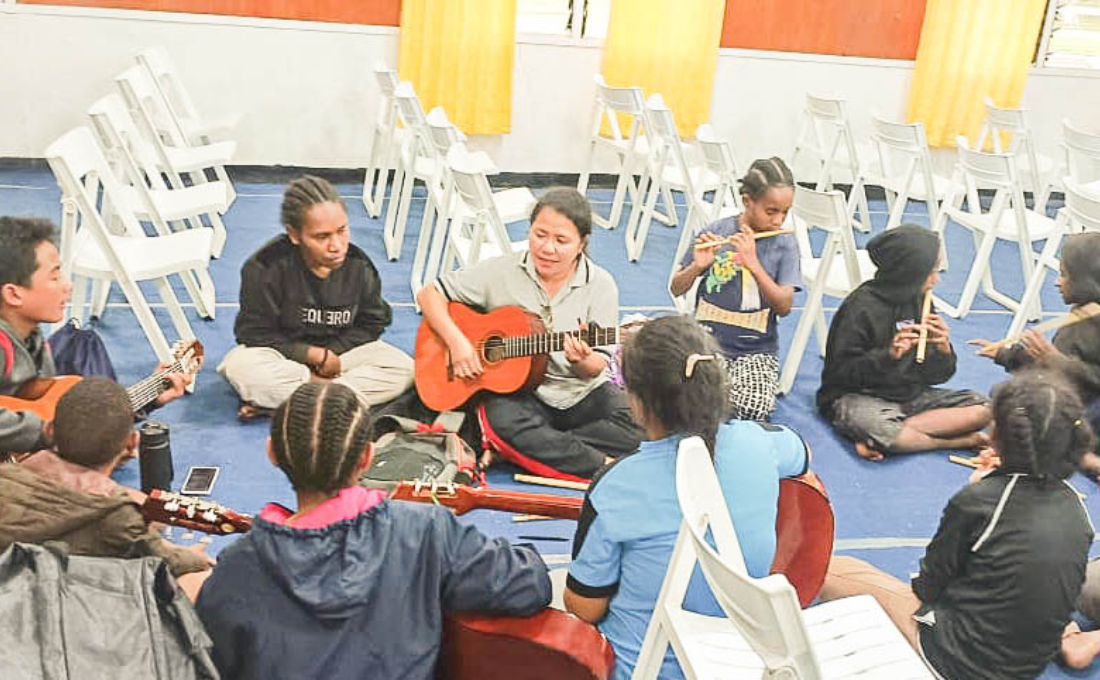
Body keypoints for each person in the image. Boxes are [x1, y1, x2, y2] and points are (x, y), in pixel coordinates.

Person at [194, 382, 550, 680]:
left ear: (273, 453)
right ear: (367, 457)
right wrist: (523, 557)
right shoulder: (423, 530)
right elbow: (529, 584)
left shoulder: (236, 568)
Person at [563, 315, 810, 679]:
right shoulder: (761, 443)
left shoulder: (616, 484)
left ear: (636, 402)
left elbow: (585, 607)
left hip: (641, 668)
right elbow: (802, 456)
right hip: (741, 661)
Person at [819, 371, 1094, 679]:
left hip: (959, 661)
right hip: (1024, 667)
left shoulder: (981, 501)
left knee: (830, 570)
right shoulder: (1076, 506)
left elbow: (928, 587)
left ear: (999, 435)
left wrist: (982, 488)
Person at [416, 187, 642, 479]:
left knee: (641, 424)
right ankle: (599, 464)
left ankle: (524, 447)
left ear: (581, 243)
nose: (547, 248)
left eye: (562, 241)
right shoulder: (502, 270)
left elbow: (595, 366)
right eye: (539, 235)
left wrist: (581, 360)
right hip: (521, 395)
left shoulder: (601, 285)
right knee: (504, 420)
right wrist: (458, 343)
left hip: (578, 392)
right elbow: (429, 294)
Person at [219, 175, 413, 419]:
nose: (337, 245)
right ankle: (334, 400)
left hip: (341, 358)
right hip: (286, 358)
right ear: (295, 235)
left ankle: (294, 403)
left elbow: (372, 323)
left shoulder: (359, 266)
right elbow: (253, 334)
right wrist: (311, 355)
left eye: (342, 231)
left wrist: (333, 354)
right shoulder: (264, 268)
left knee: (404, 369)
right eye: (322, 237)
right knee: (241, 367)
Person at [0, 216, 188, 456]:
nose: (67, 286)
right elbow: (49, 426)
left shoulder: (31, 334)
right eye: (55, 277)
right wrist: (54, 433)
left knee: (83, 348)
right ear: (14, 294)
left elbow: (45, 404)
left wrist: (150, 397)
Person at [0, 377, 211, 579]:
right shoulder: (117, 517)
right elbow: (168, 563)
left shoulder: (6, 476)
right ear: (131, 443)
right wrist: (194, 558)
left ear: (48, 429)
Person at [817, 225, 991, 460]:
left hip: (909, 396)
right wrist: (888, 356)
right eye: (930, 272)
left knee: (985, 410)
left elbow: (936, 377)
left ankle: (882, 436)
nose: (935, 280)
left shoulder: (920, 300)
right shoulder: (860, 307)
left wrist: (942, 350)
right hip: (860, 396)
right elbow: (839, 376)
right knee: (881, 426)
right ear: (907, 272)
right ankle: (958, 439)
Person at [669, 157, 800, 420]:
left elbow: (784, 307)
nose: (778, 220)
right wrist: (697, 266)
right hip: (706, 340)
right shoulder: (717, 231)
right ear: (747, 200)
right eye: (771, 211)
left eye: (785, 212)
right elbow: (676, 288)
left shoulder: (785, 244)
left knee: (753, 407)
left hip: (755, 349)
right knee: (681, 398)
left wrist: (754, 264)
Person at [971, 232, 1100, 468]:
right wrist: (1006, 354)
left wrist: (1057, 361)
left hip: (1092, 409)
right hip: (1077, 399)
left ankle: (1080, 457)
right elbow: (1049, 361)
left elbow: (1061, 365)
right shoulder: (1083, 313)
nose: (1057, 282)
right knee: (1005, 397)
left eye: (1064, 275)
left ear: (1085, 279)